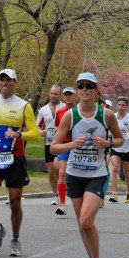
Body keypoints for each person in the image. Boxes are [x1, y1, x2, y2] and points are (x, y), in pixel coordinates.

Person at [50, 72, 123, 258]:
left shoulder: (106, 114)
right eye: (80, 86)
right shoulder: (69, 115)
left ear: (96, 90)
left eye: (89, 86)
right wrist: (72, 144)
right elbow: (53, 148)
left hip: (97, 174)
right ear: (76, 90)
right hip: (74, 174)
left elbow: (120, 139)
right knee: (83, 226)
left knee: (85, 221)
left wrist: (108, 143)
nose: (84, 90)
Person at [0, 69, 40, 256]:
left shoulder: (24, 106)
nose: (4, 83)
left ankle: (15, 239)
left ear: (15, 83)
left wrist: (19, 133)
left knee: (14, 200)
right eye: (1, 80)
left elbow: (35, 133)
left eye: (9, 80)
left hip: (16, 156)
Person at [36, 85, 65, 206]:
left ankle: (61, 192)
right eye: (51, 93)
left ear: (60, 95)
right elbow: (37, 125)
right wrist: (40, 131)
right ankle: (56, 195)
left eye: (56, 94)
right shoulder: (43, 110)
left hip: (61, 143)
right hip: (48, 143)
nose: (53, 96)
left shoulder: (64, 108)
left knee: (58, 168)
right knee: (51, 171)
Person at [54, 87, 77, 215]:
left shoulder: (79, 111)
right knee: (62, 172)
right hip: (65, 145)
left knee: (76, 173)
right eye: (66, 95)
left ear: (75, 96)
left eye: (70, 95)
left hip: (78, 146)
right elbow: (57, 125)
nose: (68, 97)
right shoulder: (60, 111)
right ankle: (62, 204)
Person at [108, 96, 129, 203]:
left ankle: (128, 193)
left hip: (127, 148)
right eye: (119, 105)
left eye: (123, 105)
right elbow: (109, 128)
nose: (121, 107)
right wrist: (110, 135)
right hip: (115, 147)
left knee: (126, 172)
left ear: (126, 106)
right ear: (116, 105)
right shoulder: (113, 116)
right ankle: (114, 194)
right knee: (114, 168)